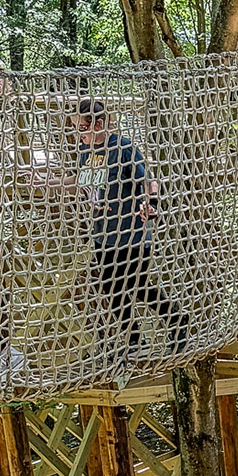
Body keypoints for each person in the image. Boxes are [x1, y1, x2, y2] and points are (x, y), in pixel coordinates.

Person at [76, 99, 188, 364]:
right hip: (104, 234)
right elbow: (80, 178)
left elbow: (148, 180)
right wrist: (47, 181)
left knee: (134, 284)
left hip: (132, 232)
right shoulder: (85, 150)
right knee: (109, 286)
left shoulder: (123, 148)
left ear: (99, 124)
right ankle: (135, 339)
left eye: (81, 127)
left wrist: (151, 203)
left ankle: (174, 319)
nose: (78, 133)